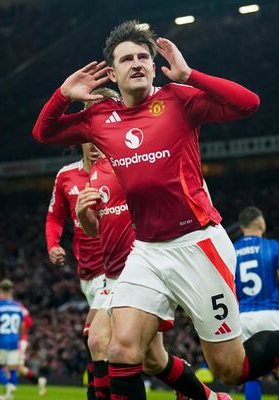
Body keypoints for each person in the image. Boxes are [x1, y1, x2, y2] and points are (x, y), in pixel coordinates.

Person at [32, 20, 279, 399]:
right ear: (112, 71)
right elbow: (44, 133)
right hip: (147, 250)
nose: (137, 63)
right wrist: (62, 94)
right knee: (120, 349)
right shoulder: (99, 118)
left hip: (198, 244)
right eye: (127, 58)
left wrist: (191, 75)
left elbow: (248, 103)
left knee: (230, 369)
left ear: (155, 65)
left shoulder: (178, 99)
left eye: (144, 56)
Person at [76, 154, 232, 399]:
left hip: (140, 268)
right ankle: (210, 397)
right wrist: (83, 213)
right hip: (113, 272)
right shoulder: (96, 172)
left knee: (98, 340)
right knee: (153, 360)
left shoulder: (137, 157)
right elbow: (95, 230)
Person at [44, 87, 116, 399]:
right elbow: (54, 218)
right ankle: (192, 387)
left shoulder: (122, 170)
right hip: (87, 273)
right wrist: (52, 245)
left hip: (119, 267)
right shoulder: (66, 177)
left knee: (95, 338)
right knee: (148, 356)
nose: (97, 143)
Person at [234, 207, 279, 400]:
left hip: (243, 316)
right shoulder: (273, 246)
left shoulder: (231, 250)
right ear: (261, 224)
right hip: (271, 311)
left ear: (241, 227)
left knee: (252, 374)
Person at [15, 300, 48, 396]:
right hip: (13, 340)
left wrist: (19, 331)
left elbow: (28, 323)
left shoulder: (20, 308)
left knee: (13, 366)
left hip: (19, 341)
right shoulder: (15, 307)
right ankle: (39, 381)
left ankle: (7, 394)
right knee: (19, 368)